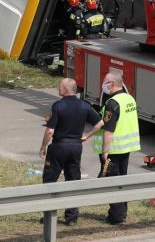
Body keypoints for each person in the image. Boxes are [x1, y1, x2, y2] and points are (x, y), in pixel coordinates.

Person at [40, 78, 103, 227]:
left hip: (59, 147)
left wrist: (43, 147)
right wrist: (87, 135)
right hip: (75, 148)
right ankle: (72, 217)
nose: (58, 88)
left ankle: (49, 215)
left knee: (50, 181)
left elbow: (50, 131)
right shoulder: (85, 105)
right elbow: (100, 122)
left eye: (59, 86)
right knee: (73, 179)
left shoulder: (58, 106)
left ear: (66, 89)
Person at [91, 72, 140, 226]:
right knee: (121, 180)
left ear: (112, 84)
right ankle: (122, 213)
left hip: (113, 150)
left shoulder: (112, 103)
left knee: (112, 182)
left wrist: (105, 152)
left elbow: (109, 129)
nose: (103, 85)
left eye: (105, 82)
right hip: (126, 148)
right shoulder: (129, 98)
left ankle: (116, 217)